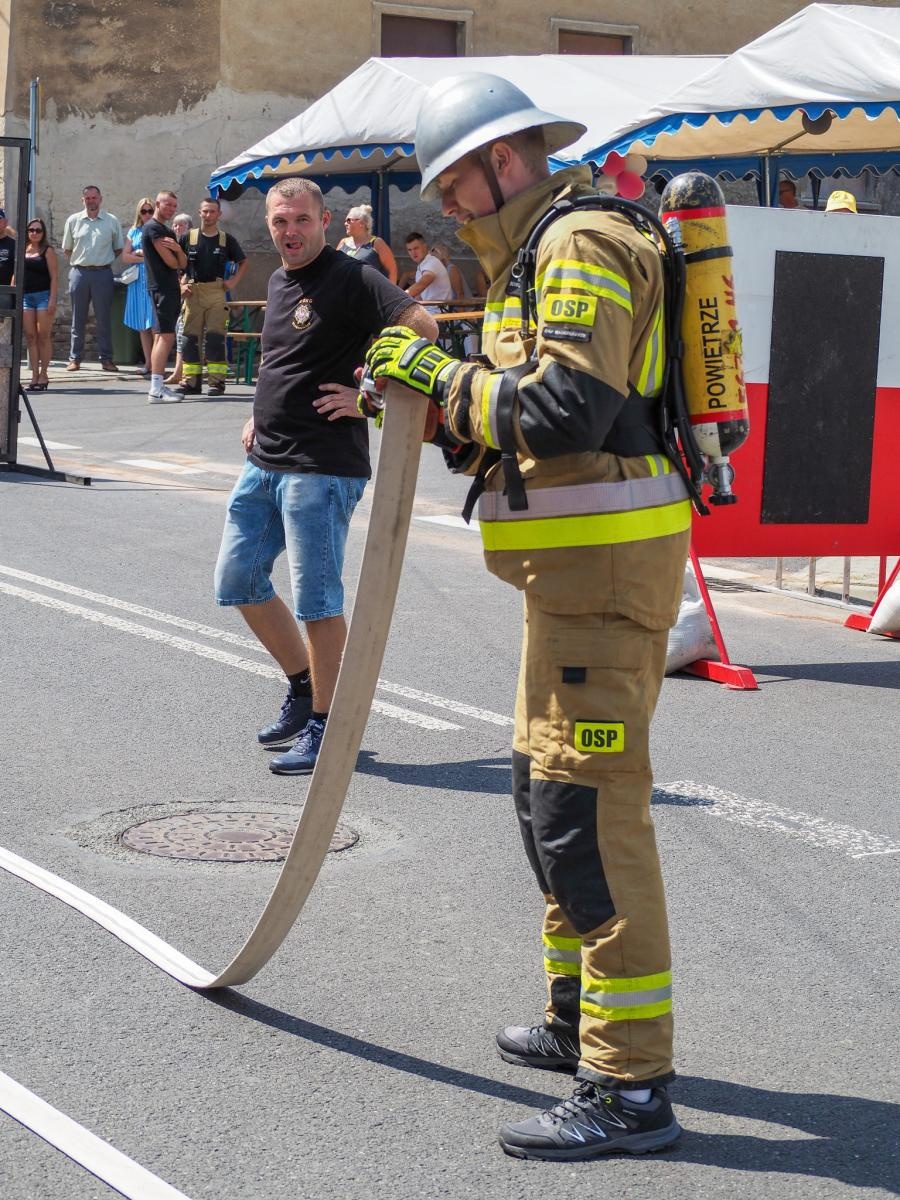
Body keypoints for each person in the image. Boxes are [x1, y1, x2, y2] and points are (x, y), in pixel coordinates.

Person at [362, 73, 691, 1161]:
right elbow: (513, 424)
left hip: (603, 586)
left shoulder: (582, 243)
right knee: (543, 800)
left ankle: (629, 1086)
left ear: (502, 161)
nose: (447, 210)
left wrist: (439, 377)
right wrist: (432, 397)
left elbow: (565, 411)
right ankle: (572, 1023)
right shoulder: (529, 257)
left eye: (453, 186)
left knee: (590, 822)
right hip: (566, 586)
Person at [213, 177, 437, 775]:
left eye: (301, 221)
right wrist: (254, 411)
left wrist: (371, 393)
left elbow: (424, 327)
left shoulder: (353, 276)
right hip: (267, 459)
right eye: (280, 222)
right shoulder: (282, 279)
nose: (289, 232)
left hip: (322, 465)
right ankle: (302, 687)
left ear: (324, 222)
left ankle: (327, 725)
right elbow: (282, 358)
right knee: (237, 579)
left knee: (317, 599)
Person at [177, 197, 247, 397]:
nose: (208, 215)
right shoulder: (187, 238)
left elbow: (244, 262)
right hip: (192, 292)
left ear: (219, 214)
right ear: (199, 212)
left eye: (212, 212)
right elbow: (177, 266)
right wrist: (181, 284)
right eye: (205, 211)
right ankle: (191, 382)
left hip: (216, 292)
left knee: (216, 338)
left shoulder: (226, 240)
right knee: (190, 339)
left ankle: (217, 383)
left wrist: (232, 283)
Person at [61, 184, 124, 372]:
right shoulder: (73, 221)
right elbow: (67, 249)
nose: (91, 201)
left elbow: (118, 247)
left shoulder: (111, 221)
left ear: (100, 199)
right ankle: (75, 359)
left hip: (103, 273)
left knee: (104, 318)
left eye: (94, 198)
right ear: (83, 200)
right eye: (87, 198)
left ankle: (106, 359)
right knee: (77, 318)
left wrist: (102, 260)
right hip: (79, 273)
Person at [141, 190, 187, 403]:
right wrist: (178, 253)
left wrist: (178, 250)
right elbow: (173, 262)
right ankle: (156, 389)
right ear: (157, 203)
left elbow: (183, 262)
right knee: (165, 336)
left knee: (162, 336)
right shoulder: (153, 228)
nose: (170, 209)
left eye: (174, 206)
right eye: (167, 205)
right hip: (162, 288)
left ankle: (157, 387)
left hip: (168, 288)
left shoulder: (166, 230)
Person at [21, 217, 58, 390]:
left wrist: (52, 299)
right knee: (30, 337)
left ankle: (44, 374)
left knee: (43, 336)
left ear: (43, 233)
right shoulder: (23, 249)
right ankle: (34, 375)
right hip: (26, 297)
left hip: (43, 296)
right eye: (31, 230)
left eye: (38, 230)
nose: (34, 233)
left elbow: (54, 277)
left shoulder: (47, 250)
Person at [121, 198, 156, 376]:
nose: (147, 214)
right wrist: (143, 259)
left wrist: (141, 255)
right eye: (144, 211)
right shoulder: (133, 232)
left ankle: (158, 363)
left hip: (153, 280)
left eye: (150, 211)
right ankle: (148, 363)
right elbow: (125, 257)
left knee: (155, 325)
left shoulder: (158, 229)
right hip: (137, 281)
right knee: (142, 325)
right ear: (139, 213)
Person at [165, 213, 193, 386]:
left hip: (190, 292)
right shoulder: (173, 245)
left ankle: (180, 373)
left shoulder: (190, 244)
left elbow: (190, 267)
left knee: (184, 331)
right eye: (175, 225)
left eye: (181, 225)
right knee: (180, 330)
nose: (177, 228)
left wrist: (183, 282)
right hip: (177, 293)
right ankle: (179, 372)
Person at [336, 205, 398, 282]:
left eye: (349, 220)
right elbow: (335, 268)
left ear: (361, 223)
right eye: (345, 221)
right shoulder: (343, 242)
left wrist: (390, 292)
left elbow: (392, 270)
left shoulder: (377, 243)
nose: (345, 223)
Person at [404, 231, 453, 308]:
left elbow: (421, 285)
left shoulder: (431, 262)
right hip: (428, 312)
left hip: (439, 313)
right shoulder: (422, 266)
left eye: (416, 248)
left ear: (424, 247)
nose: (413, 253)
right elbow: (418, 297)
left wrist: (400, 297)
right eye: (409, 250)